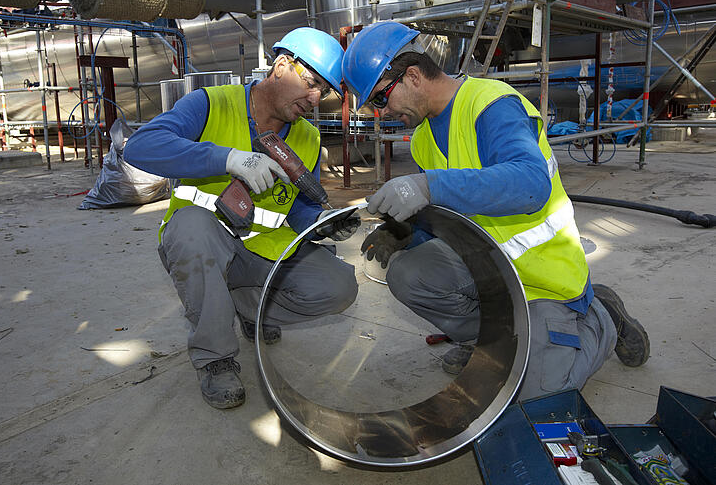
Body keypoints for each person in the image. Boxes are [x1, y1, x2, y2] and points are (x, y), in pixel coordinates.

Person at [343, 21, 649, 400]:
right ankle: (490, 341)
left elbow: (530, 184)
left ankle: (603, 317)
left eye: (380, 99)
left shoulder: (491, 105)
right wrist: (407, 231)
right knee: (410, 273)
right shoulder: (423, 138)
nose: (381, 112)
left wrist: (428, 185)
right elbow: (449, 213)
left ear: (412, 76)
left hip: (544, 280)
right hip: (488, 266)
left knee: (536, 393)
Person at [124, 27, 361, 409]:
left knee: (337, 286)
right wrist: (229, 159)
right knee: (192, 232)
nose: (316, 98)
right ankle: (215, 358)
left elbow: (298, 207)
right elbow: (141, 146)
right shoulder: (209, 104)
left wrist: (321, 222)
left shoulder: (308, 138)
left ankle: (244, 306)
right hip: (204, 242)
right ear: (282, 65)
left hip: (260, 253)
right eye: (312, 82)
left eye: (325, 91)